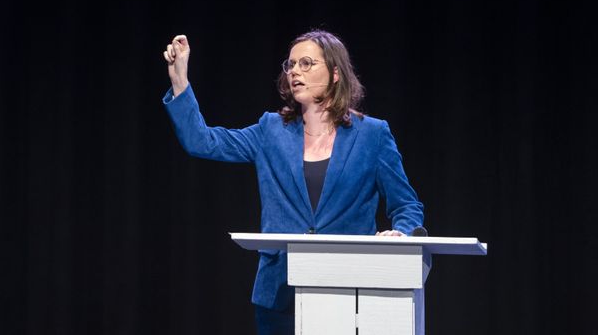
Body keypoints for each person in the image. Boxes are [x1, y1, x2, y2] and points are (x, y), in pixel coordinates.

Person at [162, 30, 424, 335]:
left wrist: (401, 234)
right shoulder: (270, 130)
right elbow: (201, 141)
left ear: (335, 73)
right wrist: (180, 80)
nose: (295, 71)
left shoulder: (373, 135)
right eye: (291, 65)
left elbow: (406, 204)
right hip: (280, 295)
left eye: (307, 63)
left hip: (348, 291)